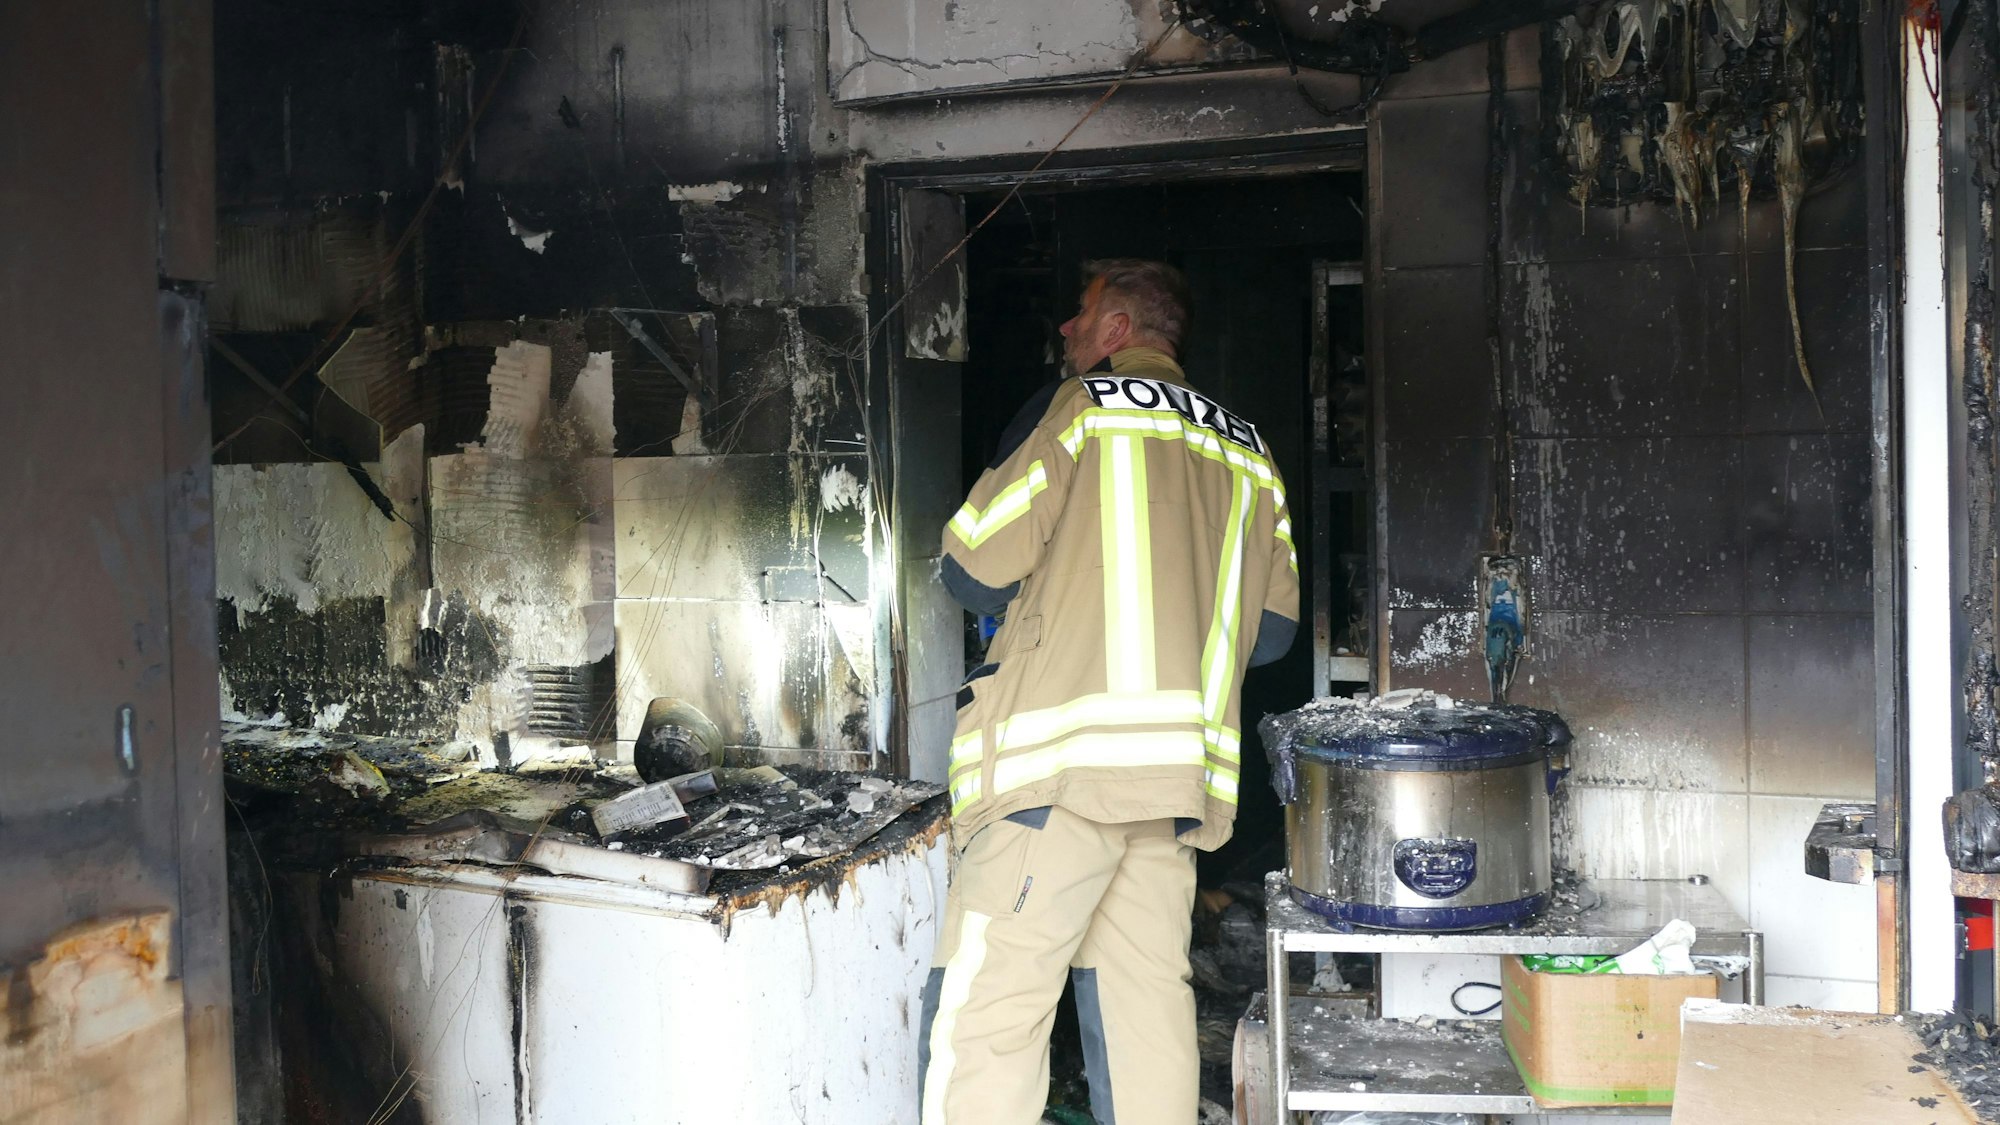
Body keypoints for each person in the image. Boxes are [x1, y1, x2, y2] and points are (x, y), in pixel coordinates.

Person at [919, 259, 1300, 1123]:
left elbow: (971, 565)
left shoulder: (1085, 408)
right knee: (1146, 1020)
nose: (1067, 329)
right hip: (1172, 793)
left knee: (989, 1015)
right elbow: (1274, 632)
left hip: (1057, 778)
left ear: (1119, 328)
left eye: (1082, 314)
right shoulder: (1248, 449)